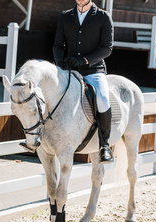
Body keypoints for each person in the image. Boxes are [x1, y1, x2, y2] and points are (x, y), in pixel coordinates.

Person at [53, 0, 114, 163]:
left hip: (93, 70)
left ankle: (104, 145)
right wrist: (60, 62)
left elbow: (107, 48)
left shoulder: (103, 17)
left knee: (102, 98)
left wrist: (85, 61)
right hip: (70, 69)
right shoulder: (66, 16)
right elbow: (58, 45)